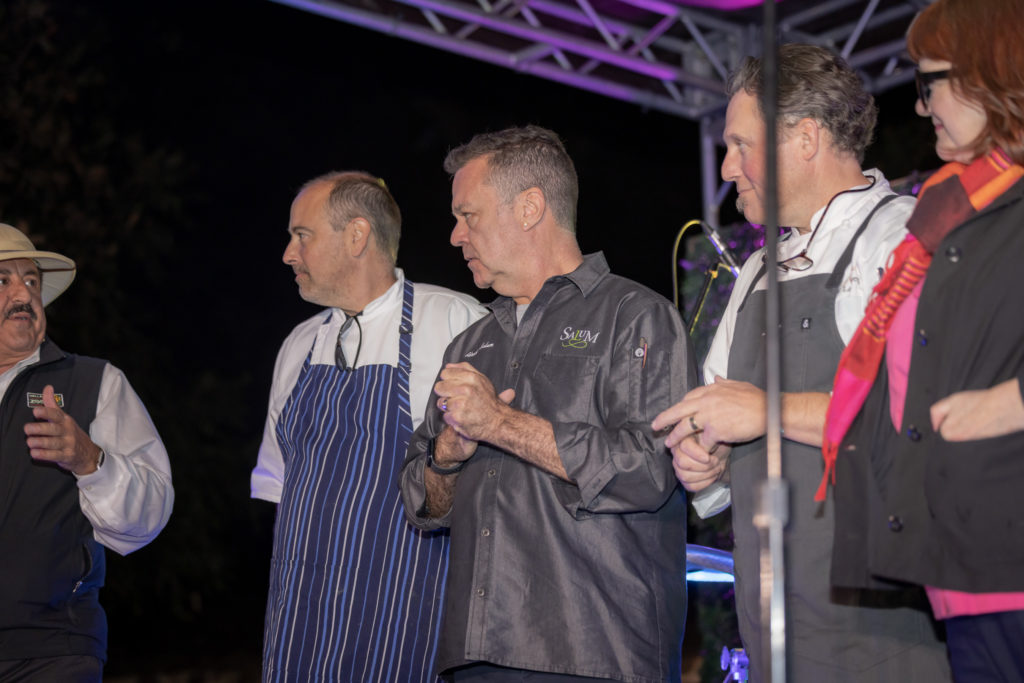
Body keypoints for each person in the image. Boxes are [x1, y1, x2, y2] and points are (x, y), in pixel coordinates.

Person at [652, 45, 951, 681]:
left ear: (806, 137)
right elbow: (720, 440)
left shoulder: (899, 237)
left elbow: (920, 417)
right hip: (773, 641)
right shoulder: (758, 268)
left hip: (883, 635)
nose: (728, 168)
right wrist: (705, 463)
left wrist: (764, 408)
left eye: (740, 144)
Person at [400, 125, 694, 683]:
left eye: (470, 216)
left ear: (531, 207)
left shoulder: (636, 315)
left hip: (593, 652)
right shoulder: (470, 343)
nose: (455, 236)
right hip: (477, 652)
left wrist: (501, 424)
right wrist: (448, 453)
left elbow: (650, 470)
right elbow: (423, 506)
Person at [822, 0, 1024, 679]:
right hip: (963, 566)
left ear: (987, 74)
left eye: (928, 80)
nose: (919, 105)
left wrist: (1015, 400)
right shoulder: (948, 209)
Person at [251, 171, 485, 682]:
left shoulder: (454, 323)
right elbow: (279, 492)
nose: (289, 254)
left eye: (302, 236)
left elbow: (494, 490)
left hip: (409, 627)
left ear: (357, 236)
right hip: (301, 634)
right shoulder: (299, 346)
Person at [0, 223, 173, 682]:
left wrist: (90, 461)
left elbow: (152, 512)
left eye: (31, 281)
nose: (23, 292)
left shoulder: (94, 383)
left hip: (52, 650)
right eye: (4, 280)